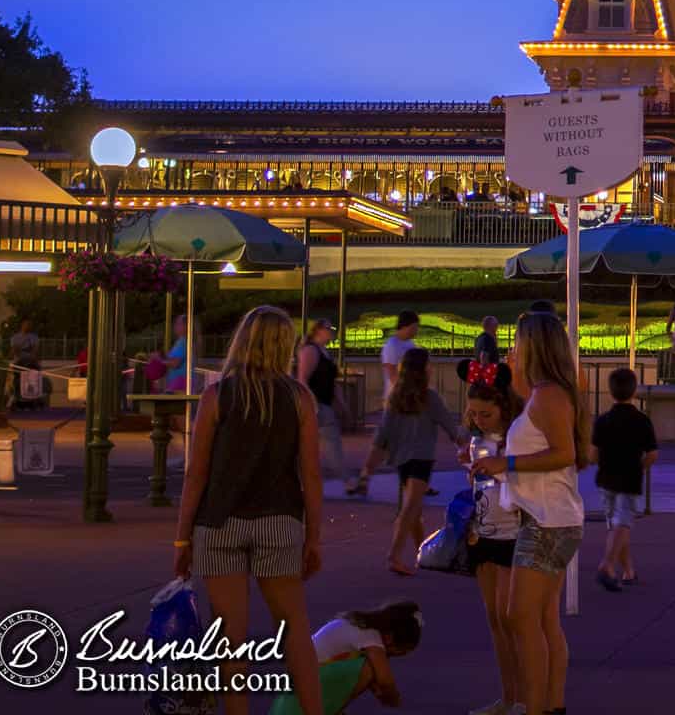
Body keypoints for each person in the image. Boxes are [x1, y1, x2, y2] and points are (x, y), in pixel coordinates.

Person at [172, 305, 324, 715]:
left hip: (219, 522)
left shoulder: (217, 396)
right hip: (280, 521)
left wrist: (182, 537)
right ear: (285, 346)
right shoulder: (299, 399)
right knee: (293, 631)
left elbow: (196, 474)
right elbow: (310, 475)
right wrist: (314, 536)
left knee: (230, 639)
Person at [470, 312, 589, 715]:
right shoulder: (544, 392)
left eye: (518, 342)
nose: (512, 349)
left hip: (547, 522)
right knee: (541, 621)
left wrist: (508, 466)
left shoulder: (550, 395)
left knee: (520, 617)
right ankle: (549, 705)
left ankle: (535, 706)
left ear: (534, 345)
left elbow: (564, 454)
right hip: (550, 518)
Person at [352, 348, 462, 574]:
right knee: (411, 506)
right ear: (422, 371)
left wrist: (367, 471)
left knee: (414, 508)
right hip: (422, 458)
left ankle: (424, 552)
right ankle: (394, 554)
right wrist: (466, 441)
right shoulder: (429, 397)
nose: (431, 368)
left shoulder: (395, 398)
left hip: (401, 459)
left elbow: (382, 437)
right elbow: (451, 426)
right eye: (428, 365)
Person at [455, 359, 522, 715]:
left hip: (511, 531)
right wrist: (471, 467)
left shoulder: (517, 437)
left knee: (509, 617)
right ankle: (508, 697)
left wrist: (497, 469)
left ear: (502, 407)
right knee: (494, 620)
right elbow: (480, 482)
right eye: (474, 414)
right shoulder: (478, 439)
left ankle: (524, 699)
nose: (478, 420)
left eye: (485, 414)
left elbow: (526, 481)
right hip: (482, 530)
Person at [271, 601, 421, 715]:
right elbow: (384, 679)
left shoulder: (360, 626)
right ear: (389, 638)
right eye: (401, 651)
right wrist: (395, 698)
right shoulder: (371, 638)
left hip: (296, 690)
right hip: (300, 694)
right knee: (369, 669)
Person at [590, 367, 658, 592]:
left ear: (610, 391)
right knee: (623, 523)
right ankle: (607, 565)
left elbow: (592, 454)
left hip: (605, 477)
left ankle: (629, 570)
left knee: (615, 525)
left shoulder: (602, 421)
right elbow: (652, 454)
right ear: (634, 390)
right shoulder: (641, 420)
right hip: (629, 478)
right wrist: (640, 467)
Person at [295, 319, 345, 480]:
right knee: (329, 443)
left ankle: (344, 479)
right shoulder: (310, 350)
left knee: (321, 444)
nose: (331, 332)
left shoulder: (324, 352)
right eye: (329, 328)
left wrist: (341, 403)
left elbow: (332, 382)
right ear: (318, 331)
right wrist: (312, 404)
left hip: (323, 404)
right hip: (316, 405)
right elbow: (302, 379)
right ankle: (346, 480)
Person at [381, 311, 421, 399]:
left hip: (409, 396)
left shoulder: (411, 344)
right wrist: (403, 394)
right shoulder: (392, 345)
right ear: (405, 326)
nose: (416, 330)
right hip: (395, 398)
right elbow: (392, 373)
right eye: (414, 327)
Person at [9, 315, 42, 409]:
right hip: (19, 362)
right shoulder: (15, 337)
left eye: (29, 325)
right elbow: (14, 350)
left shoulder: (34, 337)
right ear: (22, 325)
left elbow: (35, 350)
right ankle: (17, 398)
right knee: (17, 381)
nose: (28, 326)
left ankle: (32, 400)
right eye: (26, 324)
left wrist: (31, 359)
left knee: (33, 380)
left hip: (31, 362)